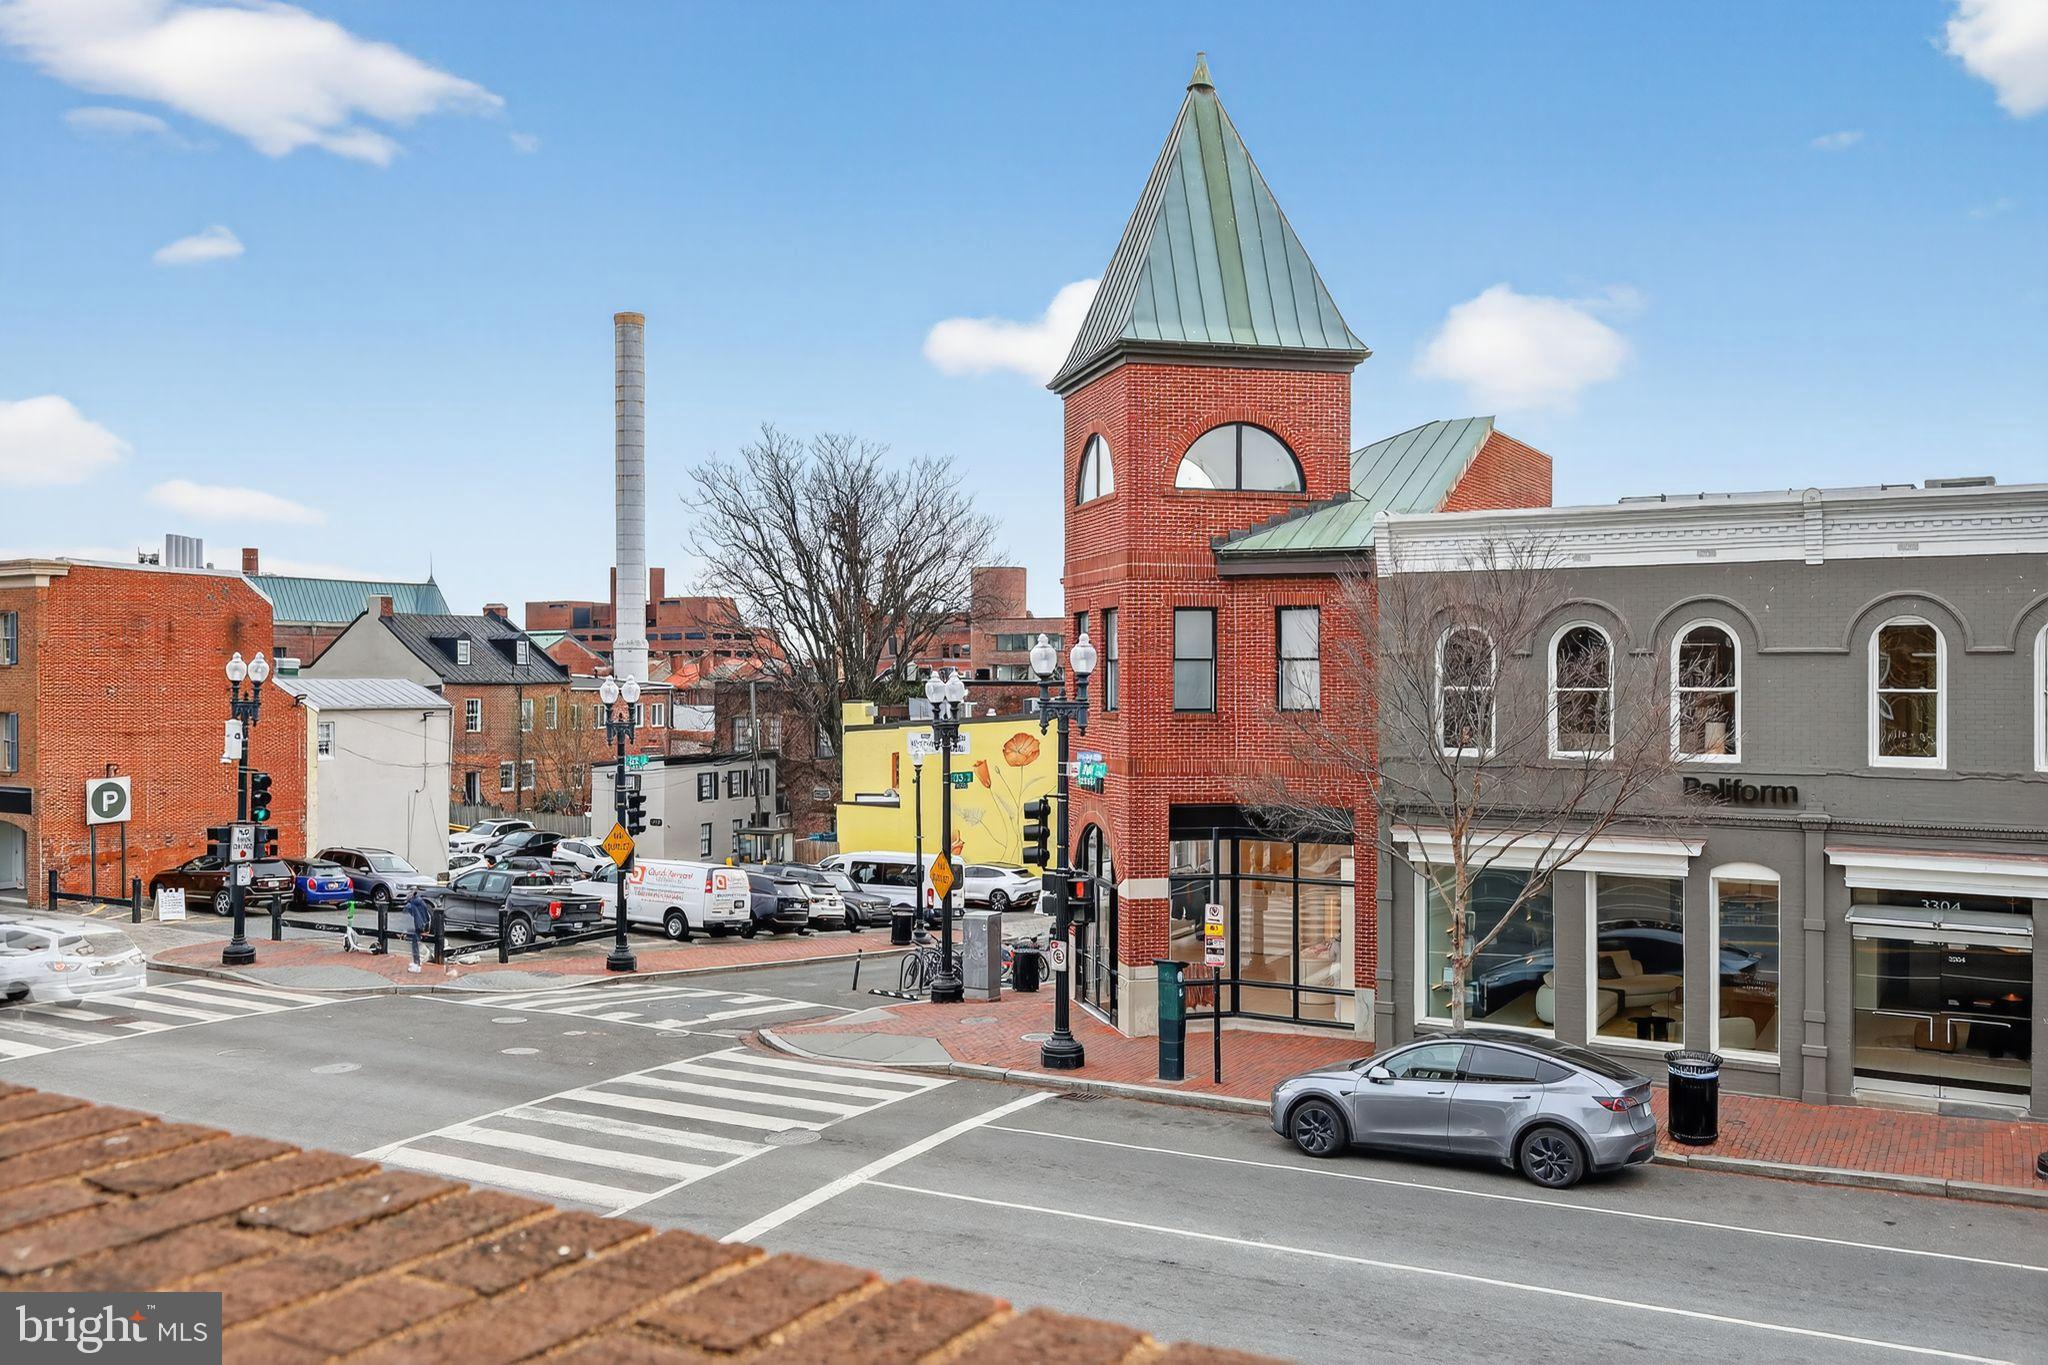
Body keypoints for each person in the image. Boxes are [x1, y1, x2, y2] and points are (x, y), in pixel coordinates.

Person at [403, 888, 435, 973]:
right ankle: (416, 963)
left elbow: (410, 918)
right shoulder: (420, 901)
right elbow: (427, 915)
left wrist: (404, 931)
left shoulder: (411, 905)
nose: (406, 895)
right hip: (420, 926)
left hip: (415, 927)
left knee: (415, 946)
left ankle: (417, 965)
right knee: (416, 945)